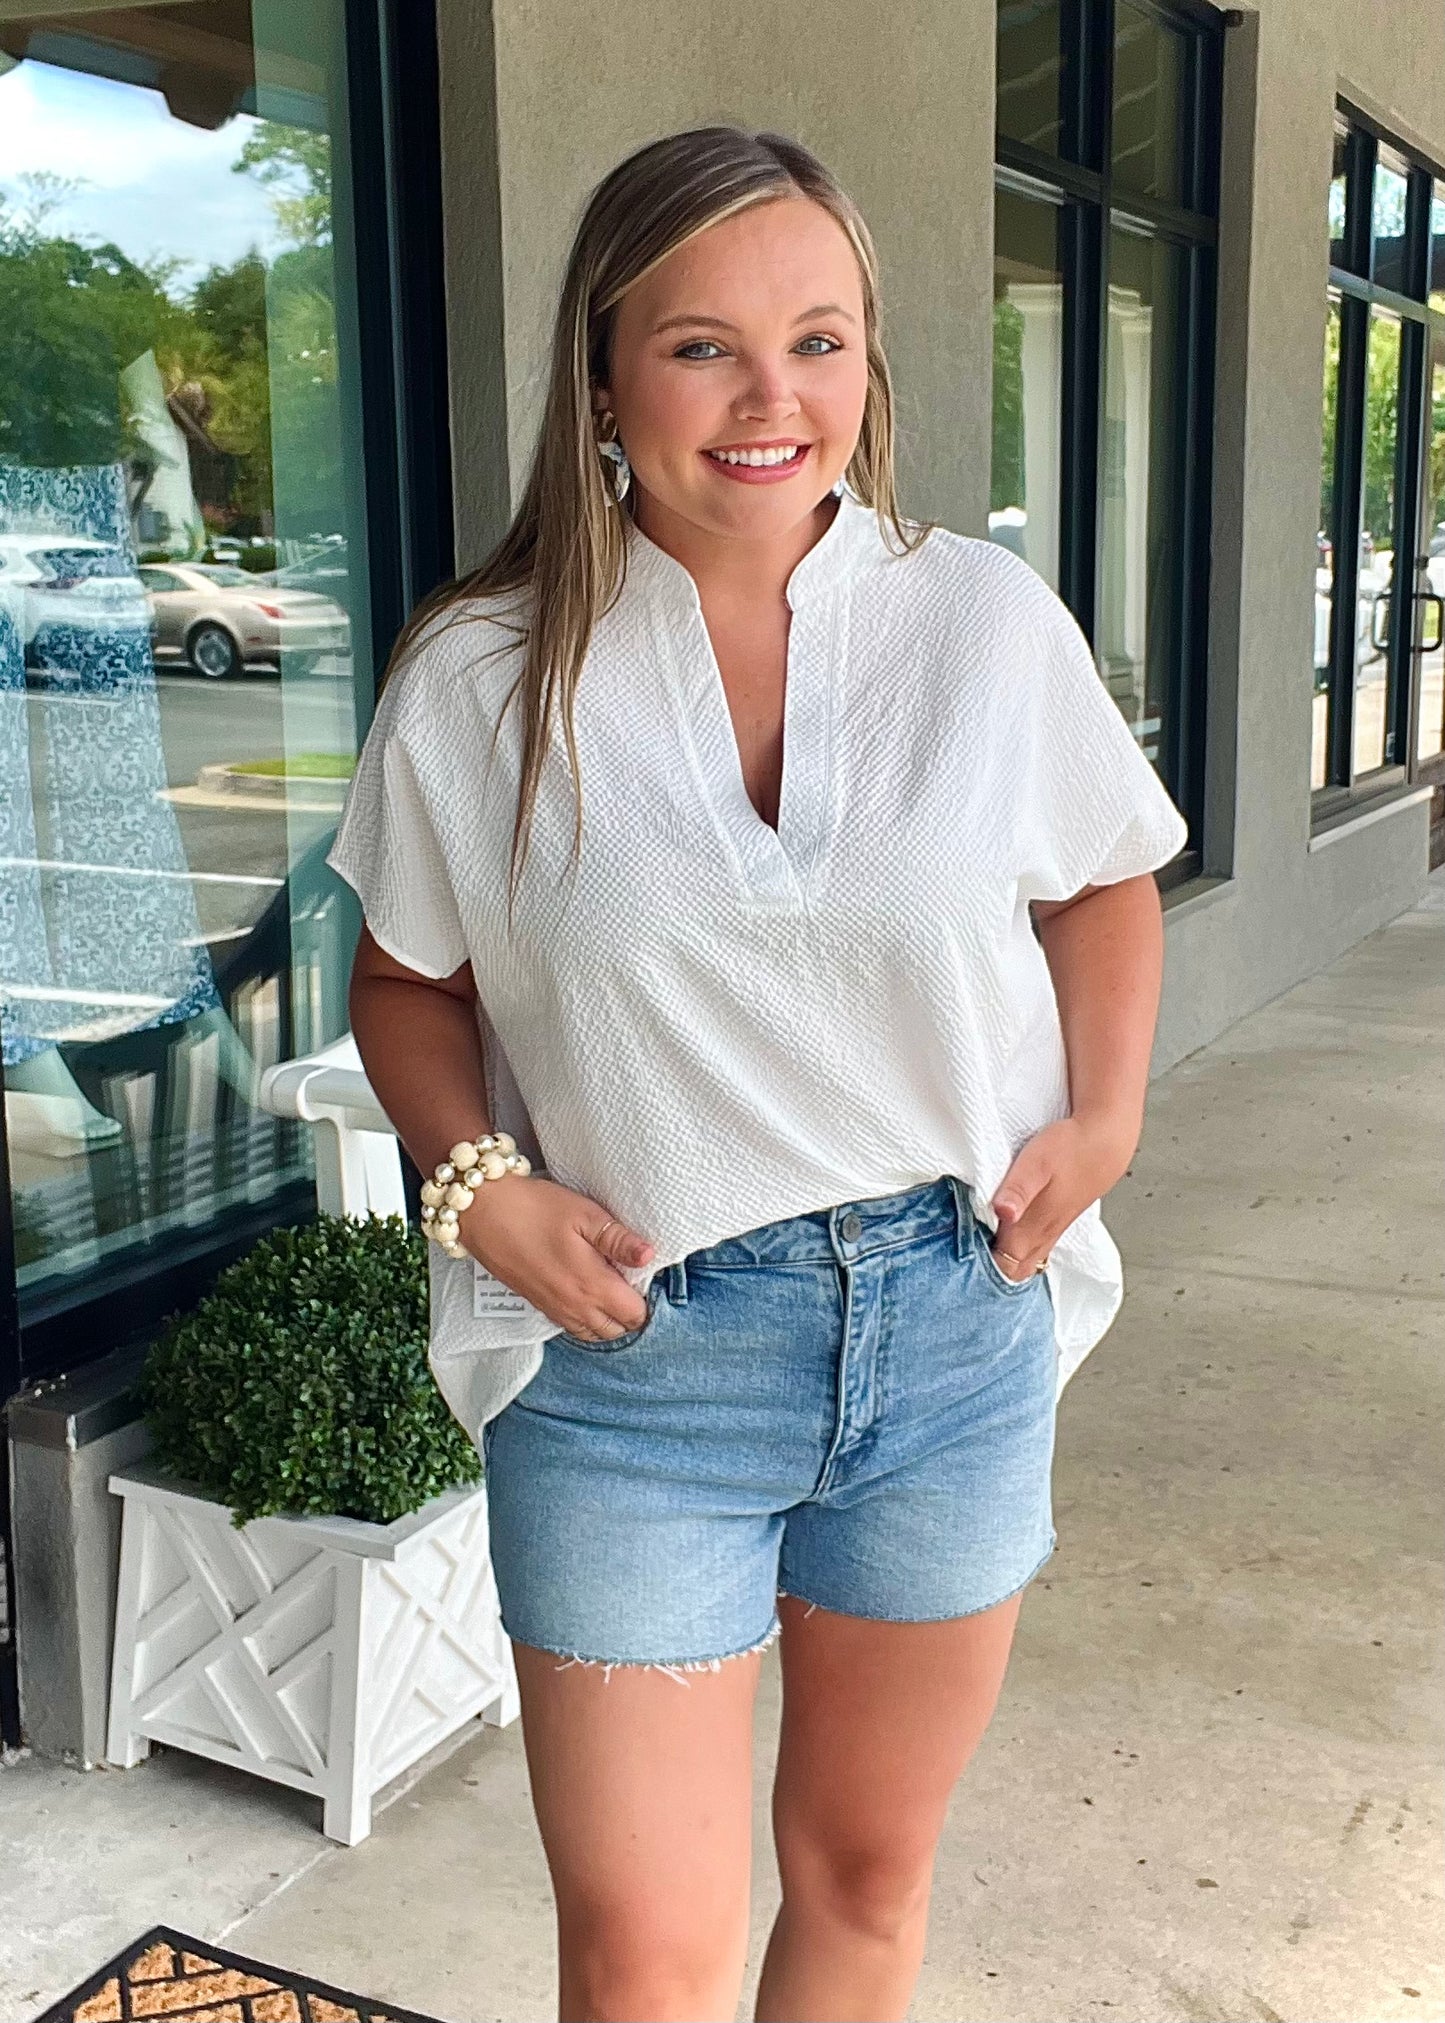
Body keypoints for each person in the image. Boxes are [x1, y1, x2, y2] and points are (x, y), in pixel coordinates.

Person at [327, 125, 1186, 2023]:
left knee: (866, 1885)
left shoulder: (979, 623)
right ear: (606, 373)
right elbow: (403, 981)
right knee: (642, 1955)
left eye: (819, 338)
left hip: (953, 1332)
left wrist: (1104, 1115)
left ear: (870, 361)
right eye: (703, 343)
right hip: (640, 1365)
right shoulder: (482, 673)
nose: (769, 395)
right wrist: (481, 1187)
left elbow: (1105, 879)